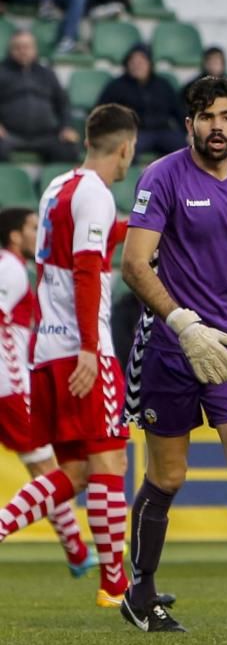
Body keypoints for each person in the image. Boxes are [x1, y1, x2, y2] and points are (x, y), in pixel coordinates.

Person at [120, 76, 227, 633]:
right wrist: (182, 322)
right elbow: (135, 263)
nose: (217, 126)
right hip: (171, 346)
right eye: (206, 116)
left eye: (226, 116)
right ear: (190, 123)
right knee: (168, 476)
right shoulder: (162, 176)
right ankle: (139, 591)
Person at [0, 104, 138, 609]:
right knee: (109, 461)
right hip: (83, 349)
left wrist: (137, 227)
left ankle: (112, 583)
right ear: (125, 147)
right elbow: (85, 268)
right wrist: (89, 347)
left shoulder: (58, 187)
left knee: (76, 474)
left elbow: (78, 246)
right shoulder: (97, 195)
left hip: (44, 350)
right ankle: (114, 584)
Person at [0, 207, 97, 577]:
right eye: (29, 228)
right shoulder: (10, 267)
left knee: (45, 470)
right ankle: (76, 553)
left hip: (9, 382)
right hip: (10, 386)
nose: (34, 235)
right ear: (14, 235)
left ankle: (76, 554)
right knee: (51, 473)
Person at [0, 29, 80, 163]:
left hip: (46, 135)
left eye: (27, 47)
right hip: (9, 134)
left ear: (35, 49)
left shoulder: (47, 74)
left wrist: (65, 127)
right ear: (10, 50)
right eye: (18, 47)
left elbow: (63, 105)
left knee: (69, 150)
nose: (22, 51)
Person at [97, 43, 187, 158]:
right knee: (125, 150)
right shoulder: (116, 86)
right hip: (134, 132)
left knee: (185, 149)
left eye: (141, 62)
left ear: (150, 64)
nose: (137, 66)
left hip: (163, 131)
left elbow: (178, 111)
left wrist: (189, 132)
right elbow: (102, 111)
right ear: (127, 64)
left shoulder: (163, 85)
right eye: (133, 62)